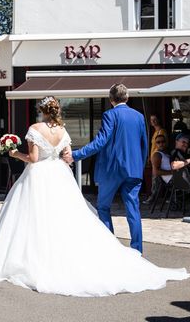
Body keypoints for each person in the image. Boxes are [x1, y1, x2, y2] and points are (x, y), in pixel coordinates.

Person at [0, 95, 189, 297]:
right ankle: (134, 249)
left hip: (42, 176)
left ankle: (42, 257)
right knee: (88, 214)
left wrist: (14, 154)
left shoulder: (35, 129)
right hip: (68, 175)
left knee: (43, 217)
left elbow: (35, 159)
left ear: (41, 111)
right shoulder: (65, 130)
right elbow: (141, 144)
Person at [62, 83, 146, 253]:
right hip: (134, 170)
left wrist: (76, 155)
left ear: (111, 99)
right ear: (127, 97)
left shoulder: (110, 115)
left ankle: (111, 249)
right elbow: (143, 144)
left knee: (103, 207)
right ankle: (137, 249)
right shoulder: (139, 116)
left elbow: (100, 142)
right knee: (133, 209)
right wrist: (140, 167)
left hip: (112, 170)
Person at [142, 134, 172, 205]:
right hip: (170, 179)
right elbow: (156, 172)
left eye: (163, 141)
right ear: (156, 144)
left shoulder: (168, 153)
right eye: (158, 142)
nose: (161, 144)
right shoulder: (157, 155)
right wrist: (172, 172)